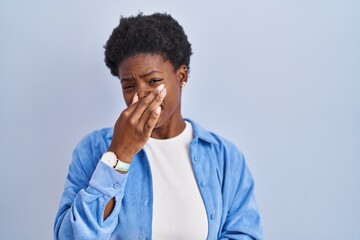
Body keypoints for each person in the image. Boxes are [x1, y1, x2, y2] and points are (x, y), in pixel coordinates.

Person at [54, 13, 263, 240]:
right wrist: (120, 154)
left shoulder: (224, 158)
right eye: (128, 85)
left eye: (153, 81)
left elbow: (244, 235)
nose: (140, 96)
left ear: (181, 76)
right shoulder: (94, 149)